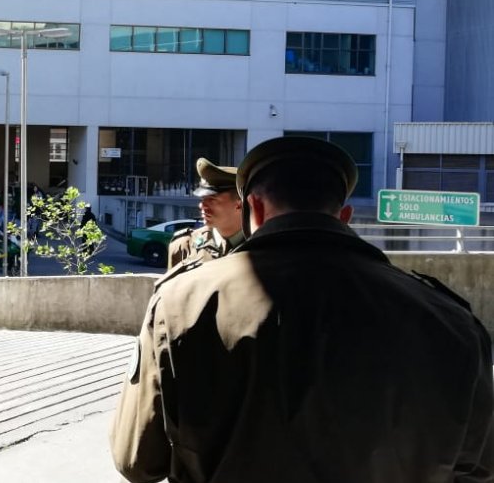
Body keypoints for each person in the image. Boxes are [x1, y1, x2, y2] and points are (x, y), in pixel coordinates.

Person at [110, 136, 494, 483]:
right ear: (345, 216)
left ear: (254, 209)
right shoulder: (447, 318)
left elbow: (136, 461)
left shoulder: (180, 303)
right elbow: (480, 464)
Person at [165, 158, 244, 269]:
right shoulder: (184, 247)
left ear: (239, 204)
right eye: (202, 199)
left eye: (212, 200)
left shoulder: (262, 248)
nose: (202, 206)